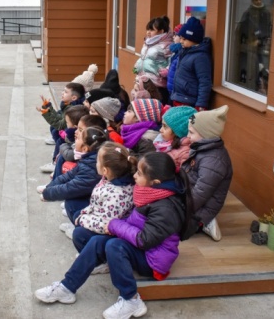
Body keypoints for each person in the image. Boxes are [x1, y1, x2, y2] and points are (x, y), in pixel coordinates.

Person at [34, 152, 192, 319]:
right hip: (140, 247)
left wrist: (114, 225)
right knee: (92, 239)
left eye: (139, 173)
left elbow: (144, 240)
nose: (134, 175)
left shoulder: (166, 208)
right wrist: (111, 224)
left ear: (156, 182)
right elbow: (134, 222)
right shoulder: (149, 191)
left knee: (114, 246)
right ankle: (67, 288)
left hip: (152, 260)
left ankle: (131, 300)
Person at [71, 141, 137, 274]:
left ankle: (101, 261)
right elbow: (96, 204)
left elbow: (106, 226)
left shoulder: (116, 195)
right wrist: (84, 213)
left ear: (105, 170)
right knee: (75, 211)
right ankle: (90, 254)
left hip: (111, 233)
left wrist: (83, 220)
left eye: (97, 161)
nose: (96, 164)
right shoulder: (110, 178)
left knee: (78, 233)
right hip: (101, 216)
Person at [40, 126, 108, 239]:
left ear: (85, 148)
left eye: (78, 139)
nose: (75, 138)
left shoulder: (92, 166)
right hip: (95, 198)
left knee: (72, 202)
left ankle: (79, 229)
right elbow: (68, 176)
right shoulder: (89, 159)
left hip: (100, 211)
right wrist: (49, 188)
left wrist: (48, 194)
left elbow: (71, 188)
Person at [182, 105, 233, 241]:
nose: (187, 136)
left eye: (191, 132)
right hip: (190, 196)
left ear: (205, 134)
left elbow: (201, 193)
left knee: (169, 226)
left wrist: (180, 207)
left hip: (201, 208)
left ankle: (206, 222)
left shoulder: (214, 161)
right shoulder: (204, 148)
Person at [37, 82, 86, 173]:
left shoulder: (72, 109)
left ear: (74, 97)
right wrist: (49, 108)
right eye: (63, 90)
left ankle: (55, 163)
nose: (62, 93)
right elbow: (60, 117)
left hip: (72, 135)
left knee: (59, 138)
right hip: (70, 130)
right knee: (54, 129)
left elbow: (60, 124)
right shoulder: (67, 104)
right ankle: (57, 151)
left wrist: (46, 113)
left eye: (66, 92)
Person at [170, 17, 212, 111]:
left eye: (184, 39)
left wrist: (201, 106)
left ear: (194, 39)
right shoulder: (184, 51)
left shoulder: (200, 57)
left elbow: (204, 82)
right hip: (178, 98)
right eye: (180, 38)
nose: (181, 41)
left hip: (189, 102)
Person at [133, 16, 173, 104]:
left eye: (151, 30)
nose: (148, 32)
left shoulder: (166, 45)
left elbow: (172, 59)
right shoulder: (147, 43)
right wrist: (137, 66)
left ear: (161, 31)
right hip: (143, 81)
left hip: (156, 83)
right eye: (147, 29)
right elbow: (143, 57)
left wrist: (167, 70)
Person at [238, 0, 272, 92]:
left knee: (261, 66)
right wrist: (248, 40)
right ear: (253, 1)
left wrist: (261, 39)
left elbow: (267, 28)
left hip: (261, 44)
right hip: (249, 45)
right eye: (256, 0)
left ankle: (260, 85)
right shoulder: (248, 13)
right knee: (250, 67)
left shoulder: (266, 13)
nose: (258, 2)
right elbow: (242, 28)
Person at [153, 105, 196, 171]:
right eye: (162, 125)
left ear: (178, 132)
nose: (160, 130)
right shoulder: (162, 143)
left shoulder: (184, 153)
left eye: (165, 127)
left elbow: (183, 176)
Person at [166, 23, 183, 103]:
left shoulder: (181, 52)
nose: (173, 37)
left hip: (175, 91)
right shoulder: (175, 50)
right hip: (171, 89)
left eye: (175, 35)